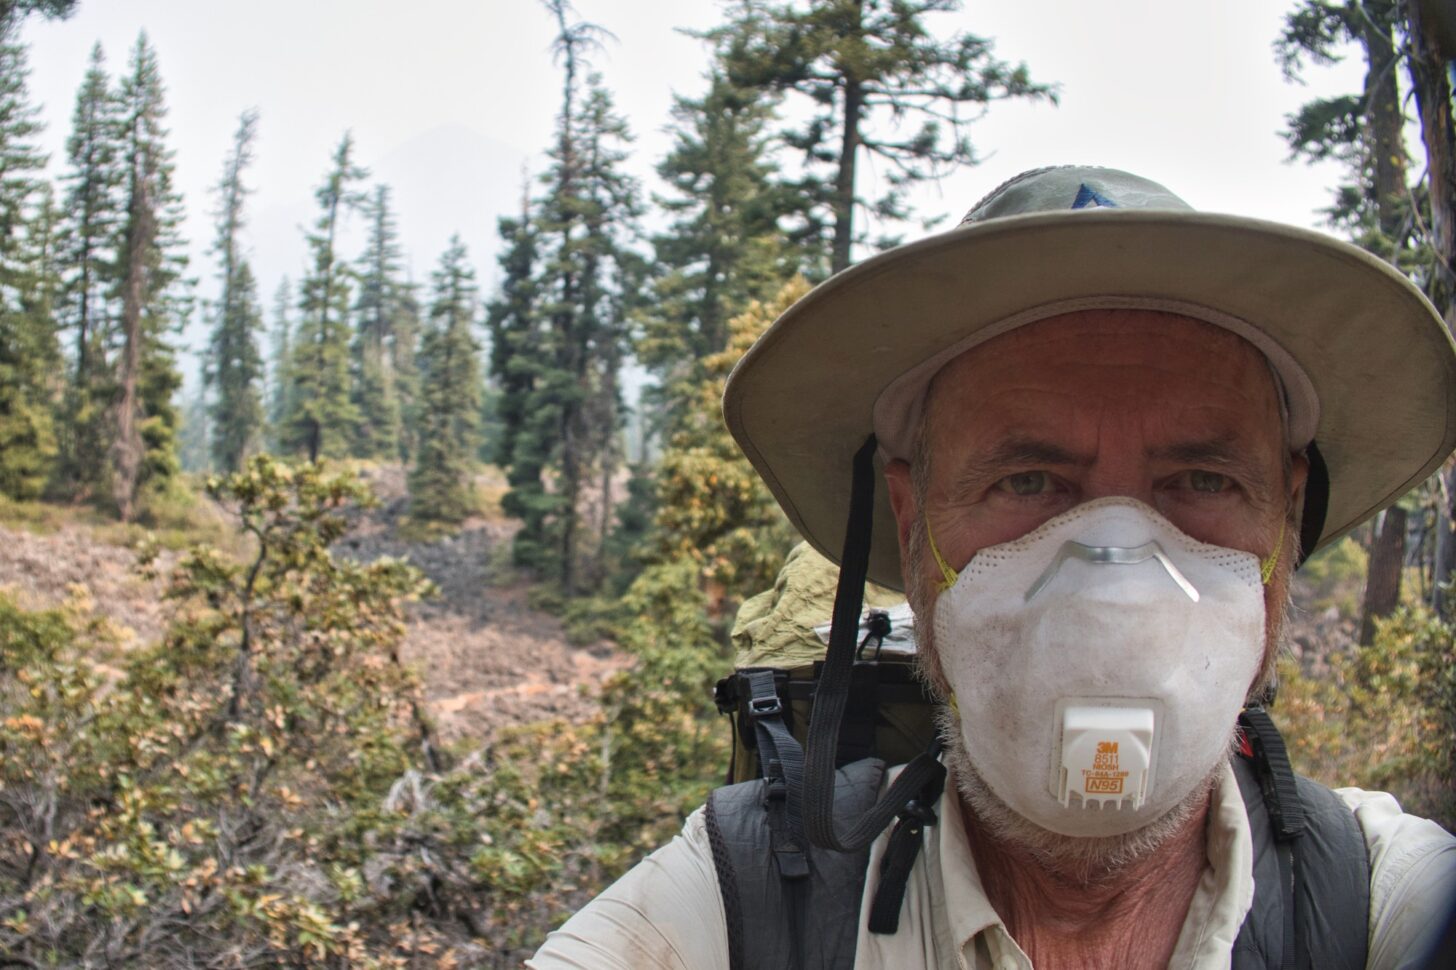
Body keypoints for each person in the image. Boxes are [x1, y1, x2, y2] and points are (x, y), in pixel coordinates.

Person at [527, 166, 1456, 969]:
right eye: (1030, 480)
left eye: (1202, 480)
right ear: (911, 522)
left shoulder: (1380, 903)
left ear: (1284, 532)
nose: (1114, 583)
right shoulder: (748, 904)